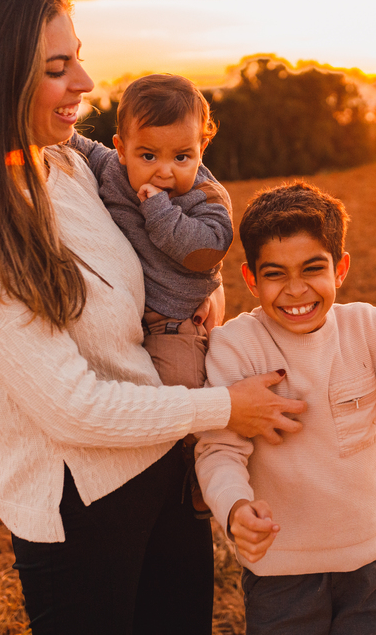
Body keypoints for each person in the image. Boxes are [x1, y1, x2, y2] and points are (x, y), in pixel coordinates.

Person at [0, 0, 306, 635]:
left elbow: (180, 199)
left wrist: (207, 287)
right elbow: (71, 409)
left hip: (163, 462)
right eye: (57, 67)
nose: (84, 82)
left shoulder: (67, 164)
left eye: (77, 58)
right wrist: (228, 407)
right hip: (84, 511)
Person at [194, 181, 376, 635]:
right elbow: (219, 451)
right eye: (274, 274)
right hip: (279, 575)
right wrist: (235, 508)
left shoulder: (370, 328)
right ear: (250, 279)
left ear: (340, 268)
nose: (295, 290)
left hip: (366, 565)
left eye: (312, 269)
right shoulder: (235, 346)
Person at [69, 73, 231, 515]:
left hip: (174, 324)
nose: (165, 169)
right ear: (121, 148)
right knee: (131, 401)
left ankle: (202, 475)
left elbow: (206, 248)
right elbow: (72, 143)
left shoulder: (203, 195)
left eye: (183, 155)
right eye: (148, 155)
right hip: (125, 321)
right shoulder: (111, 168)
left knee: (181, 390)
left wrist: (158, 209)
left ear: (203, 145)